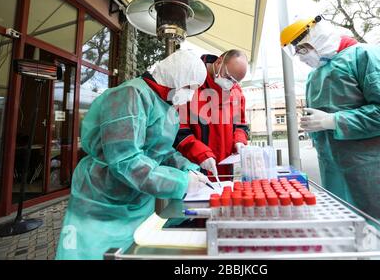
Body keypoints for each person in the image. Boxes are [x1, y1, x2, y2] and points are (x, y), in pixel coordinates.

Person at [280, 16, 380, 258]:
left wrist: (333, 121)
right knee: (360, 243)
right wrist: (316, 125)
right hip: (340, 175)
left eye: (303, 47)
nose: (302, 55)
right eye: (297, 51)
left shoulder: (368, 57)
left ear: (320, 35)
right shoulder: (316, 76)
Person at [56, 50, 212, 260]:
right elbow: (124, 161)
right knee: (91, 254)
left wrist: (190, 168)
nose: (191, 95)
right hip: (101, 200)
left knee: (134, 252)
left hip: (137, 200)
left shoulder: (166, 107)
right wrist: (181, 183)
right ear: (176, 77)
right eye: (189, 87)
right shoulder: (129, 95)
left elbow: (162, 152)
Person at [174, 50, 250, 181]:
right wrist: (201, 154)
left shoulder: (236, 92)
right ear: (219, 62)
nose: (230, 84)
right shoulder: (190, 84)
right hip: (194, 170)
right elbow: (179, 130)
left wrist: (239, 141)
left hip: (225, 172)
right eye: (228, 77)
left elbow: (241, 125)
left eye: (235, 81)